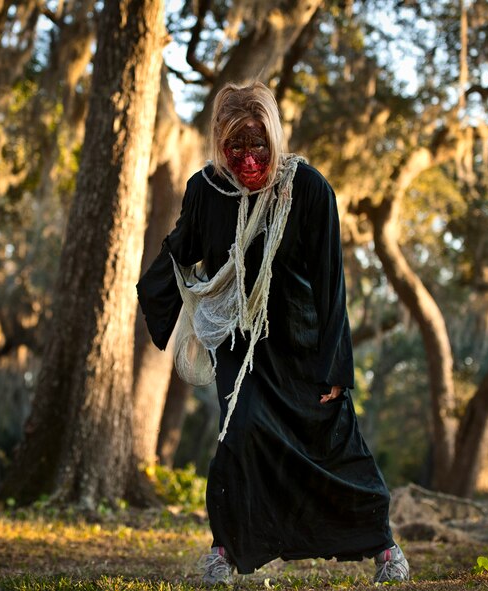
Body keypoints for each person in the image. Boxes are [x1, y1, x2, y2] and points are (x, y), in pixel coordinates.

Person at [136, 81, 409, 585]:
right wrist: (152, 293)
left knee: (332, 441)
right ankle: (224, 549)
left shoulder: (306, 188)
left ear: (275, 138)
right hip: (240, 348)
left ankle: (385, 547)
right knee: (239, 436)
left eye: (257, 144)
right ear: (219, 142)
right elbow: (181, 248)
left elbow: (332, 282)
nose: (247, 159)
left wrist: (336, 365)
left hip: (304, 344)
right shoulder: (207, 190)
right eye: (234, 146)